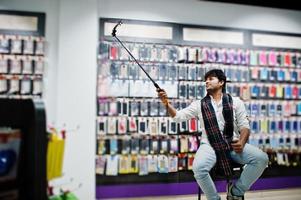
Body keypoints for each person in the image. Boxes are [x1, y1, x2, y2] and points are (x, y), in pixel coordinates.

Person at [157, 69, 268, 200]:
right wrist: (166, 104)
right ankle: (213, 198)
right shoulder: (199, 104)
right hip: (209, 145)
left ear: (221, 82)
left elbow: (244, 126)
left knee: (262, 158)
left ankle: (236, 192)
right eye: (206, 79)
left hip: (232, 142)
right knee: (198, 169)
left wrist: (242, 142)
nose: (207, 81)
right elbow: (178, 117)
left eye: (211, 79)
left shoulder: (236, 102)